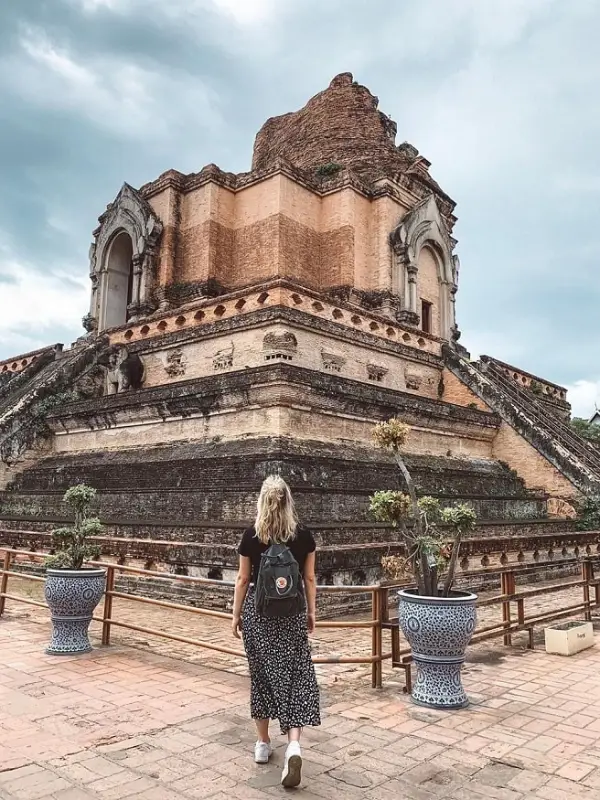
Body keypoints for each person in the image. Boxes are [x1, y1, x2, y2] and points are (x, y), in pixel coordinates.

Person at [232, 475, 321, 788]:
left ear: (262, 501)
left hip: (258, 616)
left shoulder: (251, 536)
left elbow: (243, 580)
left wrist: (234, 616)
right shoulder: (304, 536)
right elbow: (309, 579)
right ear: (288, 501)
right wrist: (311, 612)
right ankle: (294, 745)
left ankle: (262, 743)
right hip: (293, 615)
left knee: (262, 678)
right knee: (295, 678)